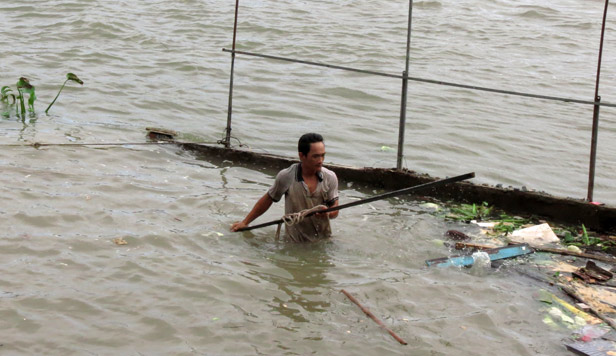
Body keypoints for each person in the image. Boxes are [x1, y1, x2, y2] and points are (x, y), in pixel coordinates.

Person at [230, 133, 339, 242]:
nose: (320, 160)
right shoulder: (287, 176)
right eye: (315, 156)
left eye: (322, 155)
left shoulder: (330, 177)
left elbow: (335, 210)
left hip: (323, 240)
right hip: (294, 241)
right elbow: (268, 199)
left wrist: (327, 213)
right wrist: (245, 222)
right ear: (302, 156)